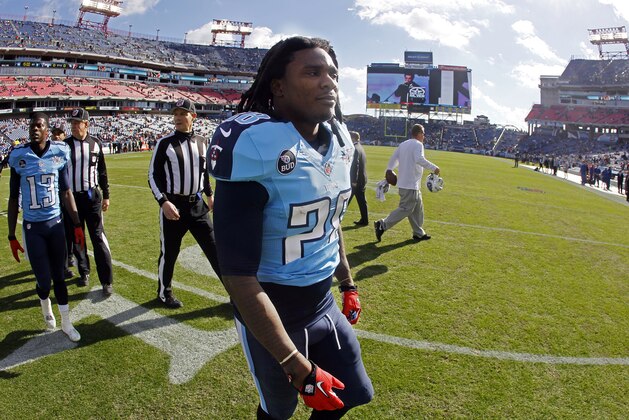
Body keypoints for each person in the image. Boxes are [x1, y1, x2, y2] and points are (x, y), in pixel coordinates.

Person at [208, 36, 373, 419]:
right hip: (272, 308)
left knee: (351, 394)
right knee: (278, 413)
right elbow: (238, 277)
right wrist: (293, 362)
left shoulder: (339, 140)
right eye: (312, 72)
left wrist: (347, 282)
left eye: (332, 73)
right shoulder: (257, 144)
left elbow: (331, 221)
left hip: (322, 302)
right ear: (278, 86)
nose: (328, 81)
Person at [7, 112, 85, 341]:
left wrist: (77, 223)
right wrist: (12, 235)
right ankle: (45, 305)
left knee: (59, 276)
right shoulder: (19, 156)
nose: (34, 129)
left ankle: (67, 323)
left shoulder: (59, 152)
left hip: (56, 224)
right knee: (43, 280)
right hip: (33, 228)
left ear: (47, 129)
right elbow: (13, 199)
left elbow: (66, 191)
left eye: (39, 125)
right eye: (32, 126)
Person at [148, 99, 222, 308]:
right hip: (174, 207)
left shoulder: (202, 141)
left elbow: (204, 172)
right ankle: (164, 293)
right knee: (169, 253)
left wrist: (210, 194)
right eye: (176, 114)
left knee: (215, 250)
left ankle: (235, 294)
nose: (178, 117)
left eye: (183, 113)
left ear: (193, 117)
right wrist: (163, 202)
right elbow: (153, 176)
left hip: (197, 206)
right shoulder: (165, 143)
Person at [64, 108, 113, 296]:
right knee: (78, 237)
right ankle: (83, 271)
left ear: (87, 124)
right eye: (72, 123)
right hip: (72, 200)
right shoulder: (64, 146)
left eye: (78, 123)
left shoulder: (96, 144)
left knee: (98, 238)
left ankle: (106, 280)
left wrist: (106, 195)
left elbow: (102, 171)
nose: (74, 126)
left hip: (92, 197)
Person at [374, 124, 440, 243]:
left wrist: (389, 170)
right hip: (410, 184)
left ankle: (418, 233)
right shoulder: (418, 144)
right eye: (423, 133)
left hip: (407, 183)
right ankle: (382, 225)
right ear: (419, 133)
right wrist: (434, 168)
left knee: (417, 209)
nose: (424, 136)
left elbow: (394, 159)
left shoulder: (403, 144)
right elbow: (419, 159)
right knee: (406, 209)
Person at [51, 122, 75, 278]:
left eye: (59, 133)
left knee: (71, 228)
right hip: (56, 196)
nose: (56, 135)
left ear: (64, 135)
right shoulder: (51, 151)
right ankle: (62, 262)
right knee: (60, 231)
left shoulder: (68, 150)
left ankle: (70, 256)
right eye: (54, 133)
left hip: (69, 194)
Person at [348, 131, 369, 226]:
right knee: (362, 201)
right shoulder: (360, 147)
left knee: (345, 200)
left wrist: (353, 181)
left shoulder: (355, 148)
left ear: (352, 138)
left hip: (357, 181)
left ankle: (336, 219)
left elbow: (355, 166)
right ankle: (365, 220)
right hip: (362, 179)